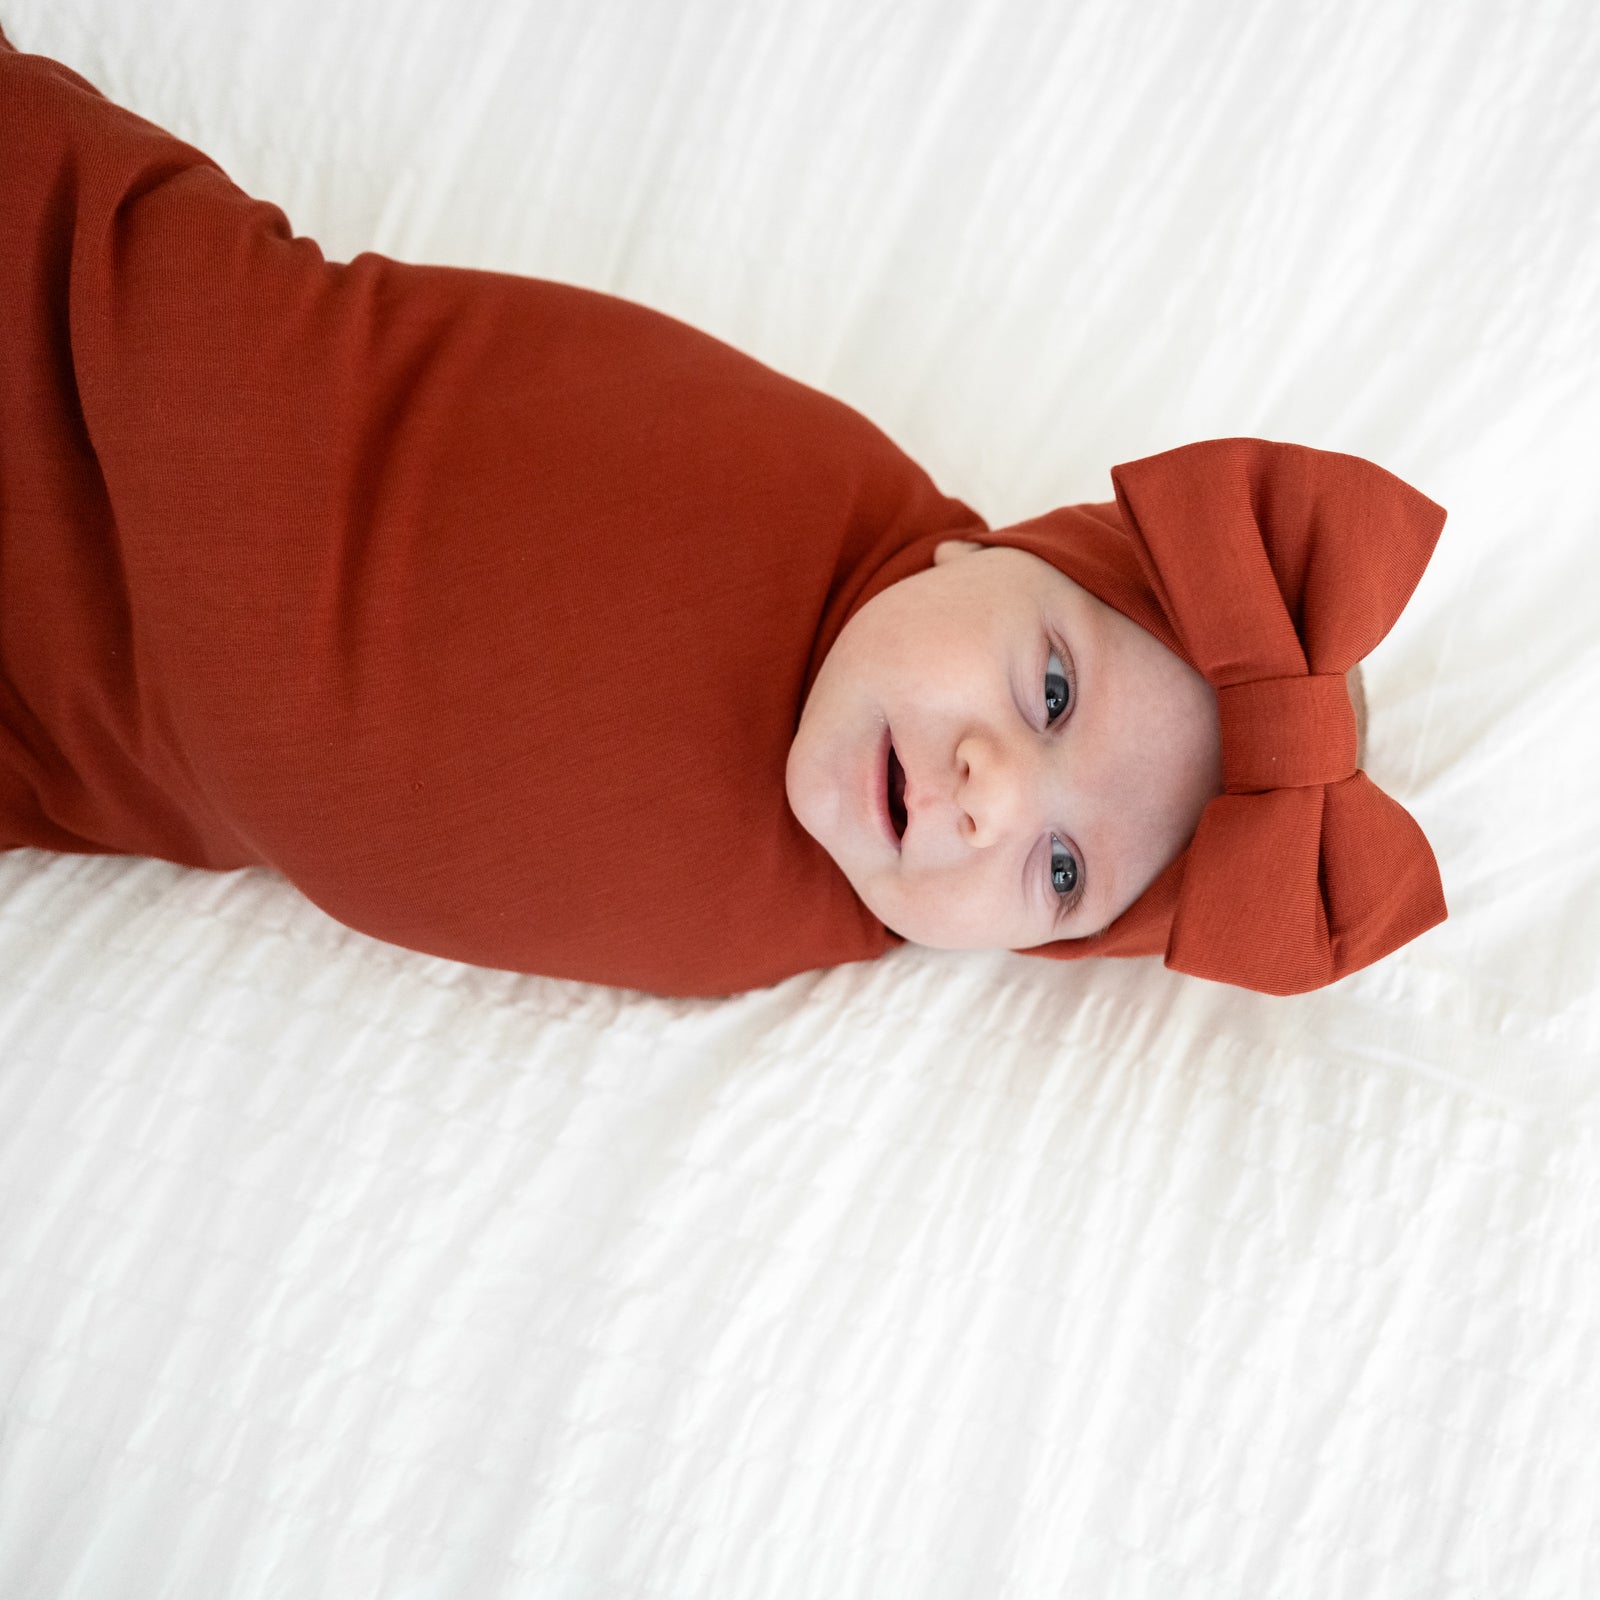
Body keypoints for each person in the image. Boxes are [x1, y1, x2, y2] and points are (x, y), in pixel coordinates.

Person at [0, 27, 1446, 998]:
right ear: (980, 554)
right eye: (1052, 687)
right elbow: (385, 395)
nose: (992, 788)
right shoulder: (808, 501)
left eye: (1059, 871)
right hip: (99, 380)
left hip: (85, 725)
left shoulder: (806, 931)